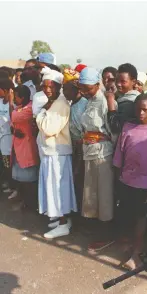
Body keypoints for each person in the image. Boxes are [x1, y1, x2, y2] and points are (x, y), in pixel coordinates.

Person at [113, 94, 147, 269]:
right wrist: (118, 178)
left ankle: (137, 253)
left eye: (145, 110)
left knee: (141, 217)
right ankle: (128, 245)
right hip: (127, 179)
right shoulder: (128, 127)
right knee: (127, 214)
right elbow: (119, 153)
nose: (141, 113)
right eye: (138, 109)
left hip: (145, 182)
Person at [36, 68, 77, 239]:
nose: (47, 89)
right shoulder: (53, 102)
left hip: (56, 154)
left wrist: (40, 115)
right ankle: (62, 220)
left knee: (57, 190)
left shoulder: (59, 104)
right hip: (52, 152)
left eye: (51, 86)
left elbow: (48, 128)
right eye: (45, 86)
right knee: (55, 189)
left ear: (59, 86)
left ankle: (62, 224)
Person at [79, 67, 115, 250]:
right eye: (82, 88)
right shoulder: (89, 101)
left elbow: (111, 130)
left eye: (88, 88)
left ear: (97, 84)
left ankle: (106, 234)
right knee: (91, 194)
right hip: (89, 152)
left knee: (104, 195)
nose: (85, 91)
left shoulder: (103, 101)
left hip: (103, 153)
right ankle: (95, 229)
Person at [11, 85, 39, 208]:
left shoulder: (29, 108)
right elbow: (12, 124)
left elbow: (15, 117)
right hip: (18, 148)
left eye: (15, 97)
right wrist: (13, 129)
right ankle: (24, 201)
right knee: (21, 178)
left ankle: (29, 203)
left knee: (29, 179)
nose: (13, 99)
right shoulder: (20, 107)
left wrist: (13, 111)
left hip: (27, 149)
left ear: (22, 98)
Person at [63, 78, 88, 211]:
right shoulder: (71, 103)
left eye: (66, 89)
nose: (64, 92)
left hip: (81, 146)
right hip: (72, 145)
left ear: (76, 89)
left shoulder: (84, 104)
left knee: (79, 177)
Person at [106, 63, 140, 135]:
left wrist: (111, 102)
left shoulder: (132, 102)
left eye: (123, 81)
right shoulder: (121, 97)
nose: (118, 84)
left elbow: (116, 128)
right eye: (117, 80)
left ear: (133, 82)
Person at [0, 79, 15, 193]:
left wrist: (10, 102)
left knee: (7, 163)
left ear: (6, 91)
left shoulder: (13, 104)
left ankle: (11, 184)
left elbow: (13, 120)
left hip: (7, 138)